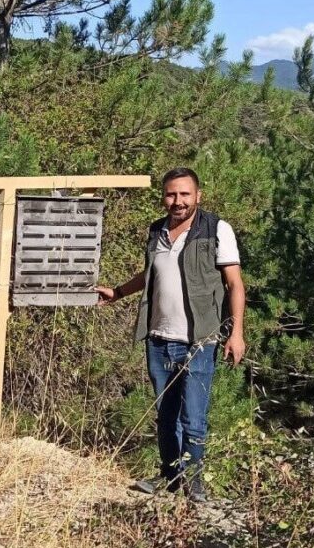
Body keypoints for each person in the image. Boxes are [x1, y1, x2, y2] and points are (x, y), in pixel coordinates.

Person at [95, 167, 246, 502]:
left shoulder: (216, 229)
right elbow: (151, 274)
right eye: (171, 194)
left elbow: (235, 284)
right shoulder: (156, 231)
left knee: (193, 417)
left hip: (200, 341)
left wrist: (236, 333)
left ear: (198, 196)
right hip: (159, 339)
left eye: (184, 194)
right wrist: (118, 292)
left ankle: (194, 483)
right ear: (164, 196)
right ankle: (169, 477)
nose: (178, 201)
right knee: (166, 416)